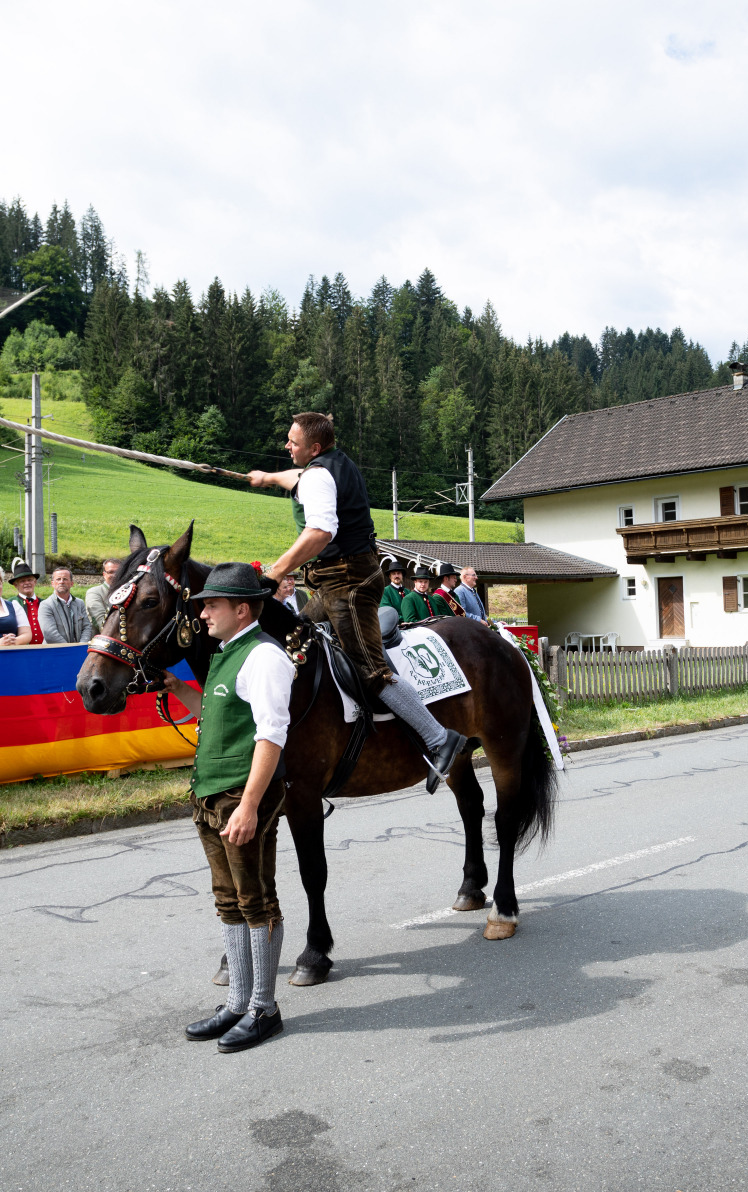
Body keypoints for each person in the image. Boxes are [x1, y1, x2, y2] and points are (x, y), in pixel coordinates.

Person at [248, 411, 464, 794]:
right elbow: (296, 477)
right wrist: (266, 478)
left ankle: (439, 738)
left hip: (347, 584)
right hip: (335, 582)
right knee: (296, 637)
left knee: (370, 671)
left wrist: (275, 573)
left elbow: (320, 531)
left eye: (293, 442)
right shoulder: (328, 465)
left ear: (314, 447)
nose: (287, 446)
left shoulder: (317, 476)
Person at [160, 562, 294, 1053]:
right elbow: (218, 715)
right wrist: (178, 690)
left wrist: (250, 805)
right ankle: (238, 1002)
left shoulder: (264, 656)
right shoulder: (227, 653)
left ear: (242, 610)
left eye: (211, 605)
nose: (202, 614)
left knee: (256, 900)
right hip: (212, 794)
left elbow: (271, 735)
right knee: (228, 899)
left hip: (241, 795)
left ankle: (264, 1008)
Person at [39, 566, 92, 644]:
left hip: (79, 649)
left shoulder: (80, 603)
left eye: (65, 579)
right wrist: (69, 649)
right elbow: (50, 634)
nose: (61, 582)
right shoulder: (45, 605)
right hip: (56, 650)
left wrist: (81, 645)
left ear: (71, 583)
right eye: (58, 579)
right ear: (52, 583)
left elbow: (87, 627)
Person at [7, 558, 47, 645]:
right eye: (22, 581)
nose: (27, 583)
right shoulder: (10, 603)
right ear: (16, 585)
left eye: (29, 580)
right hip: (22, 648)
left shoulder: (44, 603)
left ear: (35, 582)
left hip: (44, 648)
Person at [86, 558, 122, 635]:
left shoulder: (127, 592)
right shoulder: (94, 592)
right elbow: (100, 620)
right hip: (102, 638)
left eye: (118, 572)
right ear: (104, 574)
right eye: (110, 572)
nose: (115, 575)